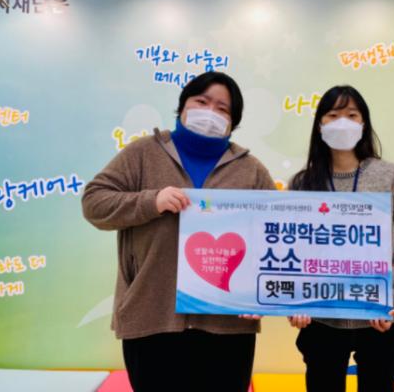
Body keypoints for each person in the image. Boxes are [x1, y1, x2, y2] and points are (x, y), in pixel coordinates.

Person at [82, 71, 275, 392]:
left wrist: (261, 295)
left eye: (222, 109)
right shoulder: (143, 153)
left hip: (226, 325)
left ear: (233, 121)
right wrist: (151, 201)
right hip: (152, 318)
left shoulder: (251, 169)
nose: (210, 112)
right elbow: (94, 203)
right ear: (183, 105)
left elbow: (273, 235)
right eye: (202, 102)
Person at [288, 85, 394, 392]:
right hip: (321, 320)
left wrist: (392, 296)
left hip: (380, 319)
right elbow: (292, 247)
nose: (342, 123)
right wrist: (296, 299)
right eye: (333, 115)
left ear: (364, 123)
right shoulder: (303, 182)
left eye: (351, 115)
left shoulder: (391, 176)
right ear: (319, 124)